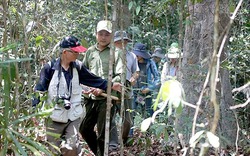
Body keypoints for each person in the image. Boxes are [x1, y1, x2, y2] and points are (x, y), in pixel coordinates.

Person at [32, 36, 121, 156]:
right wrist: (34, 112)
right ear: (65, 52)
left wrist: (110, 85)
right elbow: (39, 90)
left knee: (72, 147)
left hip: (73, 115)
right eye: (75, 52)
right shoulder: (49, 68)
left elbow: (92, 79)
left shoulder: (78, 67)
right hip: (53, 116)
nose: (78, 55)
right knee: (52, 150)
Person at [79, 20, 123, 156]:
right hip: (90, 98)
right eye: (101, 34)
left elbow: (120, 76)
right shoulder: (90, 52)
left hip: (107, 98)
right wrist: (85, 87)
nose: (103, 37)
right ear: (96, 34)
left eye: (107, 34)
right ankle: (99, 153)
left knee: (103, 132)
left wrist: (103, 89)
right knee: (84, 129)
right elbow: (83, 73)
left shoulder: (116, 52)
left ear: (111, 36)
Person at [109, 30, 140, 150]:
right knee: (110, 119)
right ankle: (113, 143)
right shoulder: (110, 54)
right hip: (111, 90)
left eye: (124, 41)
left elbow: (136, 71)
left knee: (128, 121)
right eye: (119, 42)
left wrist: (133, 77)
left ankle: (123, 141)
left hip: (126, 91)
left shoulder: (131, 56)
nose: (122, 44)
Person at [132, 43, 160, 118]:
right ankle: (130, 130)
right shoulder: (133, 62)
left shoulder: (150, 63)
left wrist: (150, 88)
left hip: (146, 93)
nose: (136, 56)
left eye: (138, 54)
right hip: (134, 92)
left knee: (147, 113)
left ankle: (147, 129)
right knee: (131, 113)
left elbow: (157, 78)